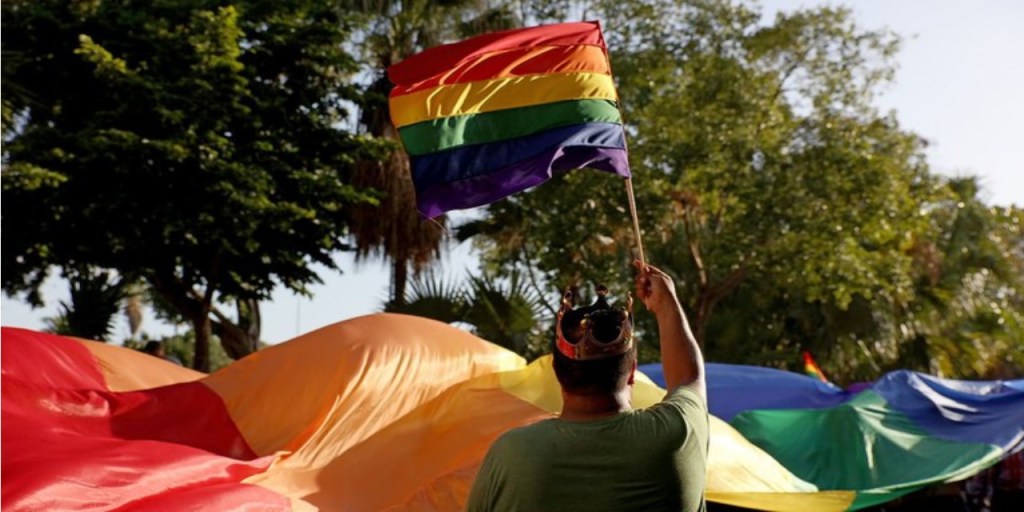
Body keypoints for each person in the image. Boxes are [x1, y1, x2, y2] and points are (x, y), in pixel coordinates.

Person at [467, 261, 708, 512]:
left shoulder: (510, 455)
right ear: (632, 371)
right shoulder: (677, 433)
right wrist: (666, 303)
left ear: (556, 371)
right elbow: (688, 377)